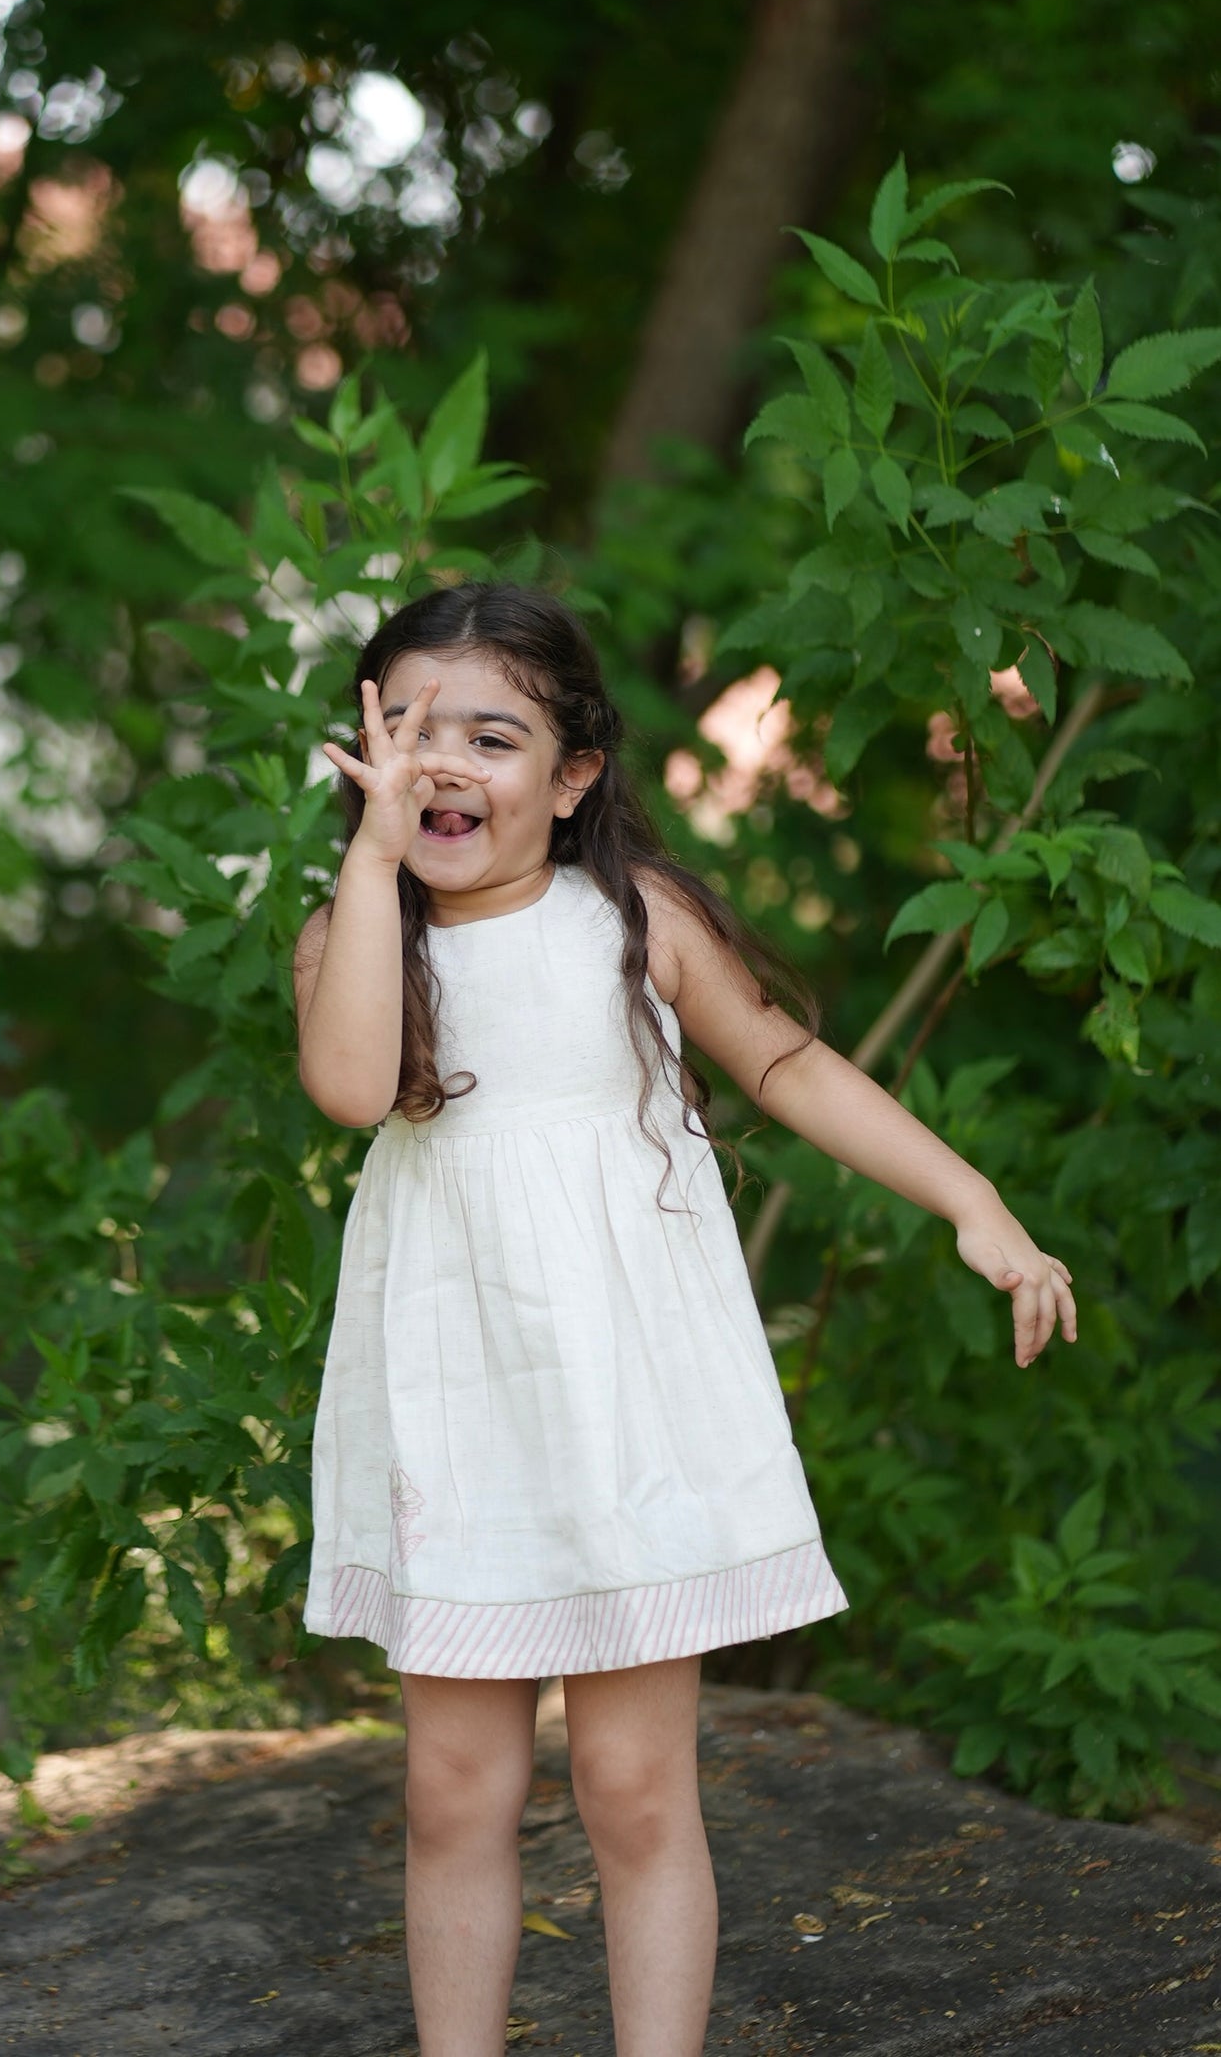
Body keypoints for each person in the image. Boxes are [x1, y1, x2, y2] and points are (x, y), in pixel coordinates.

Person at [291, 580, 1077, 2057]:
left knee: (636, 1793)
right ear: (362, 752)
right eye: (407, 730)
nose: (443, 764)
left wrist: (972, 1199)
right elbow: (346, 1088)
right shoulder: (357, 940)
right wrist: (371, 871)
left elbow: (786, 1067)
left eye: (491, 736)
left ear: (573, 773)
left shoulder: (631, 921)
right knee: (453, 1792)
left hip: (633, 1401)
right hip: (459, 1410)